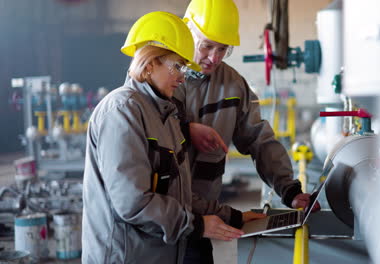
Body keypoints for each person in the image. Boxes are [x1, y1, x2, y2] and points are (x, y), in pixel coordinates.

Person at [81, 11, 244, 264]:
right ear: (149, 63)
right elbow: (133, 203)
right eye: (177, 66)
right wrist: (198, 225)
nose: (182, 77)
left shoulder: (165, 116)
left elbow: (179, 195)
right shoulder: (122, 111)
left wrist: (234, 216)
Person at [172, 0, 313, 263]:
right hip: (161, 220)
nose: (214, 57)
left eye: (223, 49)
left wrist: (290, 190)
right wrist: (185, 128)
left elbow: (260, 139)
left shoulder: (233, 85)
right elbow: (141, 130)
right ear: (187, 31)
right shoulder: (162, 74)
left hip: (203, 221)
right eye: (207, 46)